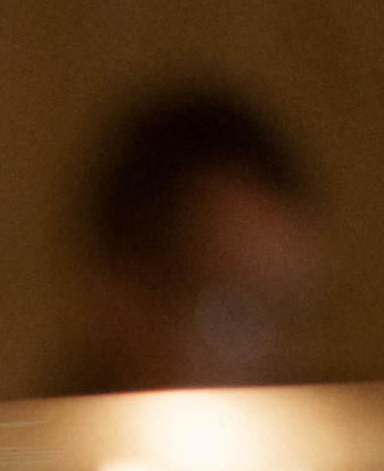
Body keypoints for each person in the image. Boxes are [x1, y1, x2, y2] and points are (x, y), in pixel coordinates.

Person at [55, 83, 325, 393]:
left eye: (298, 317)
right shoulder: (12, 439)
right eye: (236, 317)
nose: (284, 365)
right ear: (120, 301)